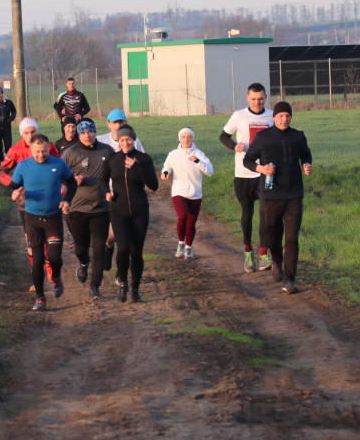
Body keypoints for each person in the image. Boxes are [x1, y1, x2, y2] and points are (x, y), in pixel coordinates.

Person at [242, 101, 313, 294]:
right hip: (271, 195)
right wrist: (262, 168)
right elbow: (247, 160)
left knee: (292, 238)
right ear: (274, 117)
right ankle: (276, 259)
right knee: (273, 232)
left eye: (288, 116)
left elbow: (306, 154)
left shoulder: (298, 137)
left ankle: (289, 280)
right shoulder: (263, 138)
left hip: (293, 194)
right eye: (281, 116)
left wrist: (307, 165)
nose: (285, 119)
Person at [8, 134, 77, 311]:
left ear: (49, 148)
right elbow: (13, 185)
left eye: (44, 151)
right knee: (37, 260)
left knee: (54, 257)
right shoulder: (23, 166)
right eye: (37, 151)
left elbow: (72, 183)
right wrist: (15, 193)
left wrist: (67, 200)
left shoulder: (58, 163)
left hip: (53, 217)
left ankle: (56, 278)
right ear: (31, 150)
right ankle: (40, 298)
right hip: (32, 218)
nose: (41, 155)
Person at [219, 82, 273, 273]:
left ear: (265, 98)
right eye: (253, 99)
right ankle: (248, 253)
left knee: (265, 213)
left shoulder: (272, 116)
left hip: (264, 173)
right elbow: (223, 136)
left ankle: (265, 255)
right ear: (247, 98)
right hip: (243, 173)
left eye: (260, 99)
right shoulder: (239, 116)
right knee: (247, 214)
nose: (257, 102)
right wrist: (235, 146)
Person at [103, 124, 158, 303]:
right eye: (122, 140)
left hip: (139, 211)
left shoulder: (143, 159)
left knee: (136, 252)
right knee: (123, 248)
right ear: (118, 141)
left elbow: (154, 185)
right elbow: (102, 180)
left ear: (133, 139)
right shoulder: (112, 159)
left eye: (128, 139)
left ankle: (135, 288)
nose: (125, 142)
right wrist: (106, 192)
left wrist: (137, 168)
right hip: (118, 211)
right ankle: (122, 284)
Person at [0, 118, 61, 272]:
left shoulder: (49, 146)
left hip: (49, 201)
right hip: (26, 203)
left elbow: (60, 167)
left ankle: (52, 271)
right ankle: (37, 274)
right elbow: (0, 172)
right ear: (22, 134)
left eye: (33, 131)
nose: (31, 135)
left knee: (49, 242)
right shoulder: (15, 150)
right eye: (27, 132)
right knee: (32, 243)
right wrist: (14, 187)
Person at [61, 119, 114, 298]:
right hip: (76, 209)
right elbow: (58, 179)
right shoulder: (70, 153)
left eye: (90, 131)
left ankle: (95, 286)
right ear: (78, 134)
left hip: (101, 208)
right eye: (83, 133)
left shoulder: (107, 151)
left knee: (99, 248)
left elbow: (117, 175)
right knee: (81, 248)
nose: (87, 135)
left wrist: (113, 193)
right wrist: (70, 182)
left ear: (95, 132)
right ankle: (83, 264)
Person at [161, 127, 214, 260]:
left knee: (191, 223)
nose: (186, 140)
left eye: (189, 137)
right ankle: (181, 244)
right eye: (183, 137)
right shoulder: (173, 154)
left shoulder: (199, 154)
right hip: (179, 191)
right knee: (183, 216)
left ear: (192, 139)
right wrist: (166, 173)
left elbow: (210, 171)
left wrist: (197, 161)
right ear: (179, 139)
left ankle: (188, 248)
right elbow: (167, 166)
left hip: (196, 193)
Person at [0, 86, 17, 156]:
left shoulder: (8, 102)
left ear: (2, 94)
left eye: (1, 93)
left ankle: (7, 160)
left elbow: (14, 111)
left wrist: (11, 119)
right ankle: (1, 160)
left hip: (7, 129)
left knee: (8, 146)